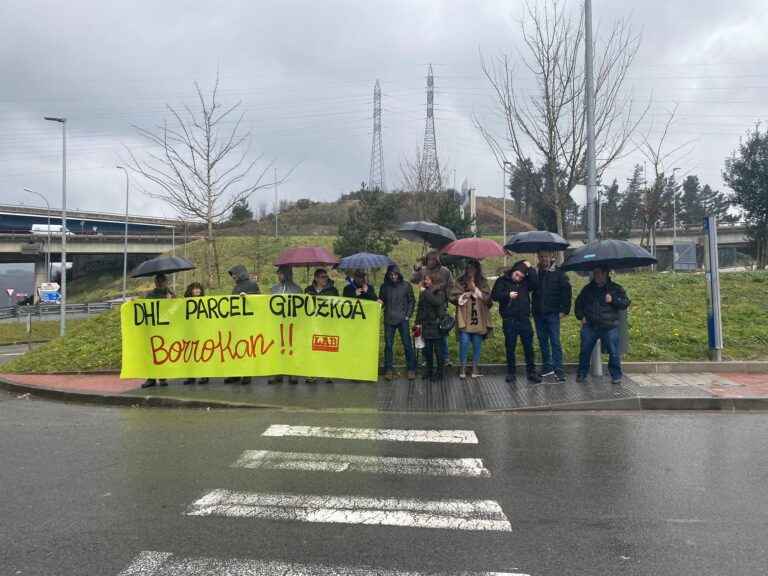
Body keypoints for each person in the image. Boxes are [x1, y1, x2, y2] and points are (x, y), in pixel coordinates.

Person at [574, 265, 631, 385]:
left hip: (609, 326)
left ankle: (616, 375)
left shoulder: (615, 288)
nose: (595, 275)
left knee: (613, 352)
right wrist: (581, 316)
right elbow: (578, 302)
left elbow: (625, 302)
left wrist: (613, 300)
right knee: (585, 350)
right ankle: (581, 374)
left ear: (605, 273)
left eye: (598, 273)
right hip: (590, 326)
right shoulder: (588, 289)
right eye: (594, 272)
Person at [491, 260, 542, 385]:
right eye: (516, 275)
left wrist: (529, 268)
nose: (517, 278)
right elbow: (495, 295)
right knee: (510, 348)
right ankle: (511, 372)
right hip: (509, 320)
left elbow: (536, 284)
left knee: (528, 348)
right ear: (513, 270)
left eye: (520, 277)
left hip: (524, 320)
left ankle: (531, 372)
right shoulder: (502, 280)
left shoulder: (525, 283)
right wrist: (507, 295)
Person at [532, 249, 572, 382]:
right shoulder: (535, 272)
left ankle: (559, 368)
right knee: (542, 341)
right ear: (538, 257)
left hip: (553, 313)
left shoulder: (559, 272)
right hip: (538, 312)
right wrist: (533, 275)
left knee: (555, 341)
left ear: (550, 257)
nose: (543, 259)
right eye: (541, 256)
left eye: (546, 256)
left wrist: (564, 310)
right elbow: (529, 287)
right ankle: (547, 366)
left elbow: (567, 292)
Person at [449, 259, 493, 379]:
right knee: (464, 341)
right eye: (468, 268)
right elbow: (453, 296)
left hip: (478, 316)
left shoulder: (483, 282)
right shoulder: (461, 281)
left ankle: (475, 366)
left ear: (477, 269)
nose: (469, 270)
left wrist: (475, 289)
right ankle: (462, 366)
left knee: (477, 342)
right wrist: (464, 295)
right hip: (464, 315)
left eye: (472, 268)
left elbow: (488, 299)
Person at [410, 251, 455, 367]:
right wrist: (417, 269)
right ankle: (424, 357)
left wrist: (445, 296)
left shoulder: (444, 271)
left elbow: (451, 284)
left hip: (440, 306)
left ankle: (445, 358)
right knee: (426, 333)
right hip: (425, 307)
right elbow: (413, 280)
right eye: (428, 259)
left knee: (442, 331)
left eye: (432, 260)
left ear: (437, 260)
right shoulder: (423, 270)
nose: (430, 262)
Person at [378, 264, 416, 381]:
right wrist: (380, 303)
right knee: (388, 345)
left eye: (395, 274)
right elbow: (382, 303)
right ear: (388, 275)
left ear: (399, 274)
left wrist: (408, 315)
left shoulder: (406, 285)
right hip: (389, 320)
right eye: (391, 274)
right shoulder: (384, 287)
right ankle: (388, 369)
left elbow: (411, 301)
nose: (393, 276)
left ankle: (411, 369)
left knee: (407, 345)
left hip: (402, 320)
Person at [224, 264, 260, 385]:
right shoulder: (236, 286)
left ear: (240, 274)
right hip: (236, 322)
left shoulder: (252, 285)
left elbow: (259, 302)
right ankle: (235, 374)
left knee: (246, 348)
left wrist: (248, 297)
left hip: (248, 322)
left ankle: (247, 374)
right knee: (235, 348)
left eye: (234, 276)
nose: (233, 278)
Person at [268, 266, 302, 384]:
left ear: (287, 274)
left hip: (292, 323)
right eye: (278, 273)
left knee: (291, 348)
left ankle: (292, 373)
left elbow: (301, 307)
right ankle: (278, 373)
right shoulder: (274, 289)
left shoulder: (297, 289)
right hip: (277, 323)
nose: (279, 276)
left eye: (281, 273)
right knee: (277, 348)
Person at [304, 268, 338, 383]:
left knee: (327, 348)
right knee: (313, 348)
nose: (325, 279)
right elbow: (304, 306)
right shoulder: (308, 289)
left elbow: (338, 305)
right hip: (313, 323)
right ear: (316, 278)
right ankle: (312, 373)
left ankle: (329, 373)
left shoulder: (333, 290)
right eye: (323, 277)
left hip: (327, 324)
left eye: (326, 277)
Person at [141, 274, 174, 388]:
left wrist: (170, 301)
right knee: (151, 354)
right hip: (152, 329)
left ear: (166, 282)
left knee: (163, 353)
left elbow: (176, 310)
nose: (160, 282)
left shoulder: (171, 295)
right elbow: (145, 309)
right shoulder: (150, 295)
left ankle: (163, 378)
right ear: (155, 282)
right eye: (158, 281)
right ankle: (151, 378)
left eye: (162, 280)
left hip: (165, 329)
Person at [415, 272, 447, 381]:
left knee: (438, 351)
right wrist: (417, 322)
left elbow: (437, 302)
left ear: (433, 280)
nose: (425, 282)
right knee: (428, 350)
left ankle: (440, 373)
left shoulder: (440, 291)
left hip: (437, 325)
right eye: (425, 280)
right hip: (427, 324)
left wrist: (426, 293)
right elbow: (420, 307)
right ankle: (429, 371)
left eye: (427, 280)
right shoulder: (424, 292)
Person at [181, 282, 210, 386]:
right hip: (189, 332)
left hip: (202, 332)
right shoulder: (183, 302)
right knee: (190, 354)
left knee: (203, 354)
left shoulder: (206, 302)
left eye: (199, 288)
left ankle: (205, 375)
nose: (197, 290)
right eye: (195, 288)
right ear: (190, 291)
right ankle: (191, 377)